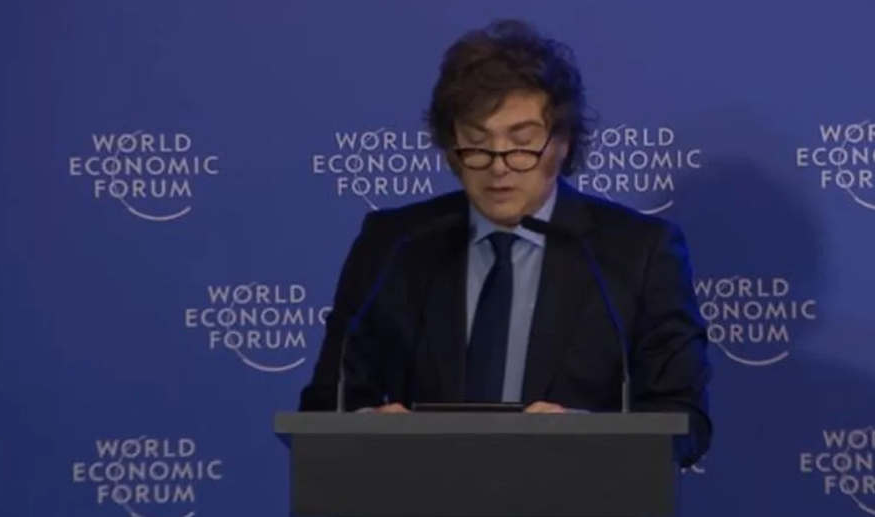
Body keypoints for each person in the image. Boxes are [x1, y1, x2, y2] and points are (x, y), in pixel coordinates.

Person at [298, 19, 711, 467]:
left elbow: (685, 421)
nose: (499, 166)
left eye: (522, 143)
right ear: (450, 146)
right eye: (477, 144)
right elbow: (326, 402)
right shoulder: (395, 245)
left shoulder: (637, 252)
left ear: (563, 142)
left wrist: (593, 437)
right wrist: (368, 425)